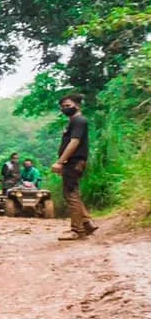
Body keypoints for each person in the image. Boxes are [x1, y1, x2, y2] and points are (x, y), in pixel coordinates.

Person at [50, 94, 96, 239]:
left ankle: (77, 230)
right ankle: (87, 223)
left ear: (77, 105)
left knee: (71, 195)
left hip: (73, 162)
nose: (65, 109)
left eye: (68, 105)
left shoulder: (79, 121)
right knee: (71, 192)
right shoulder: (74, 121)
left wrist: (60, 161)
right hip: (73, 162)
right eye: (63, 107)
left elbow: (74, 142)